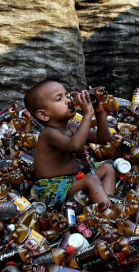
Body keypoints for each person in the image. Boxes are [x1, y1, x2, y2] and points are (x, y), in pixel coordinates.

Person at [24, 80, 116, 212]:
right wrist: (87, 116)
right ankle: (108, 215)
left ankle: (108, 202)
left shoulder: (71, 127)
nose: (68, 101)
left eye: (67, 95)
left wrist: (98, 110)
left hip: (72, 180)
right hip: (52, 189)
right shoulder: (48, 134)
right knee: (91, 179)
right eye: (59, 99)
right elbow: (76, 146)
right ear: (43, 115)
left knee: (107, 168)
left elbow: (103, 138)